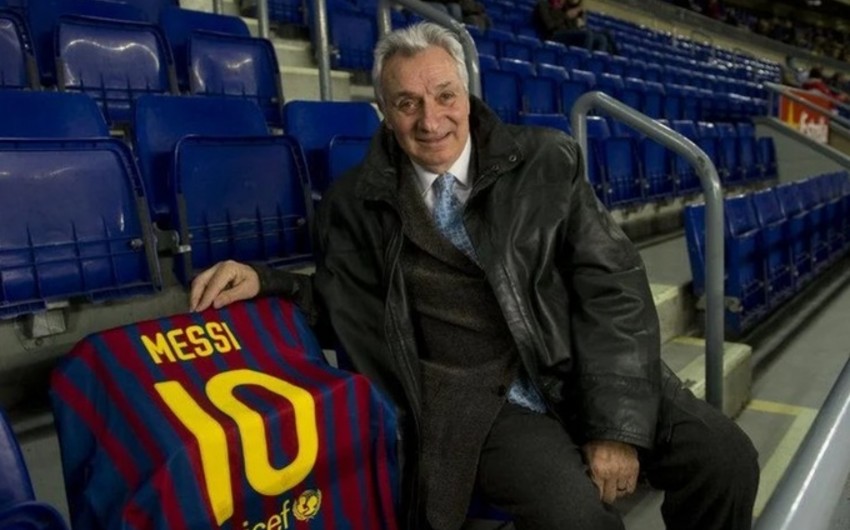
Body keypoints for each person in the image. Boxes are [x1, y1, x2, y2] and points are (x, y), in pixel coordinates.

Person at [190, 22, 760, 530]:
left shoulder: (547, 161)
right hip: (476, 402)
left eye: (445, 96)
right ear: (384, 111)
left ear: (467, 94)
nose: (430, 120)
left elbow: (613, 290)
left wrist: (615, 425)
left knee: (725, 459)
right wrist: (269, 282)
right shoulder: (352, 205)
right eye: (407, 103)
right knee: (576, 518)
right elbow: (348, 307)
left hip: (575, 361)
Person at [534, 0, 615, 53]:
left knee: (601, 38)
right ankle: (584, 59)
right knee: (587, 34)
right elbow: (550, 26)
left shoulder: (565, 8)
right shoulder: (544, 5)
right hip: (553, 35)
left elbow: (572, 29)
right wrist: (566, 16)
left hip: (566, 34)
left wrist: (579, 20)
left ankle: (596, 62)